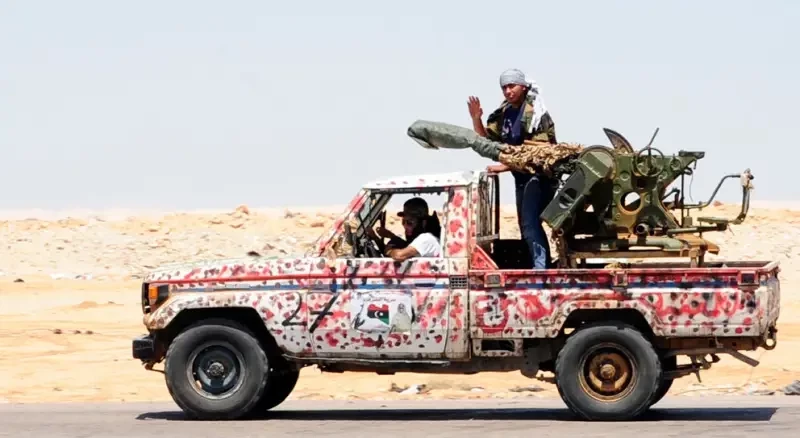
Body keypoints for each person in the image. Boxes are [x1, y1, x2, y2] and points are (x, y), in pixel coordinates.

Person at [467, 68, 558, 269]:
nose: (508, 91)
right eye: (504, 88)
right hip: (521, 177)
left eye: (512, 86)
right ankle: (539, 265)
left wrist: (504, 166)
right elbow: (488, 141)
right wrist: (476, 119)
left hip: (538, 177)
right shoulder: (504, 114)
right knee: (525, 225)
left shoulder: (535, 114)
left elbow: (539, 152)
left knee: (530, 223)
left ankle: (541, 269)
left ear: (523, 87)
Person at [368, 197, 442, 261]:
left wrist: (389, 251)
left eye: (410, 223)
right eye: (403, 222)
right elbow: (405, 245)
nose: (405, 226)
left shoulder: (426, 238)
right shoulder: (425, 239)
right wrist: (379, 237)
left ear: (423, 223)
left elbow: (399, 255)